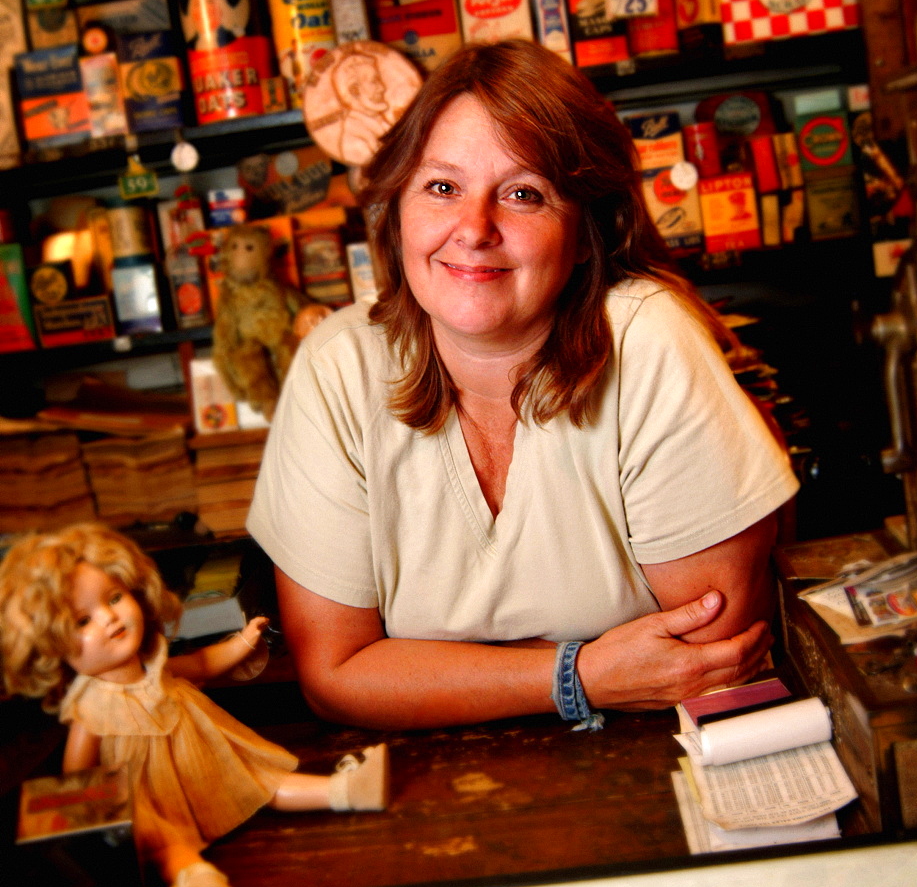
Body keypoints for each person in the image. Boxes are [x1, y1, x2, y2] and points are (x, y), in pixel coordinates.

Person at [247, 39, 800, 732]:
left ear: (587, 227)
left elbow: (704, 655)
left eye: (523, 194)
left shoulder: (647, 340)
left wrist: (426, 671)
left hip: (667, 760)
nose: (474, 230)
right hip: (429, 798)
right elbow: (334, 675)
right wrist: (582, 672)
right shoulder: (338, 368)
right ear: (395, 208)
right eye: (442, 187)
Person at [0, 523, 388, 887]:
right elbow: (77, 778)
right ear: (51, 648)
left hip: (203, 757)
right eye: (83, 621)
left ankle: (344, 791)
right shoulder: (90, 709)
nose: (109, 619)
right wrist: (95, 820)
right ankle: (191, 876)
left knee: (260, 777)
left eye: (114, 598)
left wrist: (240, 642)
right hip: (146, 789)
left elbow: (201, 663)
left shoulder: (155, 664)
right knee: (160, 832)